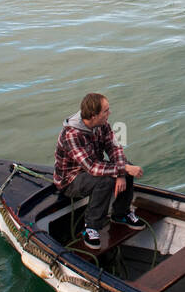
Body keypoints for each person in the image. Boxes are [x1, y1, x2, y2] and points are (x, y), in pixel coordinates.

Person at [53, 93, 145, 250]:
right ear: (93, 115)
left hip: (94, 167)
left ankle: (121, 214)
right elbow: (91, 168)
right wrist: (122, 170)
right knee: (106, 180)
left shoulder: (103, 124)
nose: (109, 114)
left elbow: (114, 147)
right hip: (71, 179)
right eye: (106, 111)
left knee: (125, 167)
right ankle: (91, 227)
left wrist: (122, 172)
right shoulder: (72, 135)